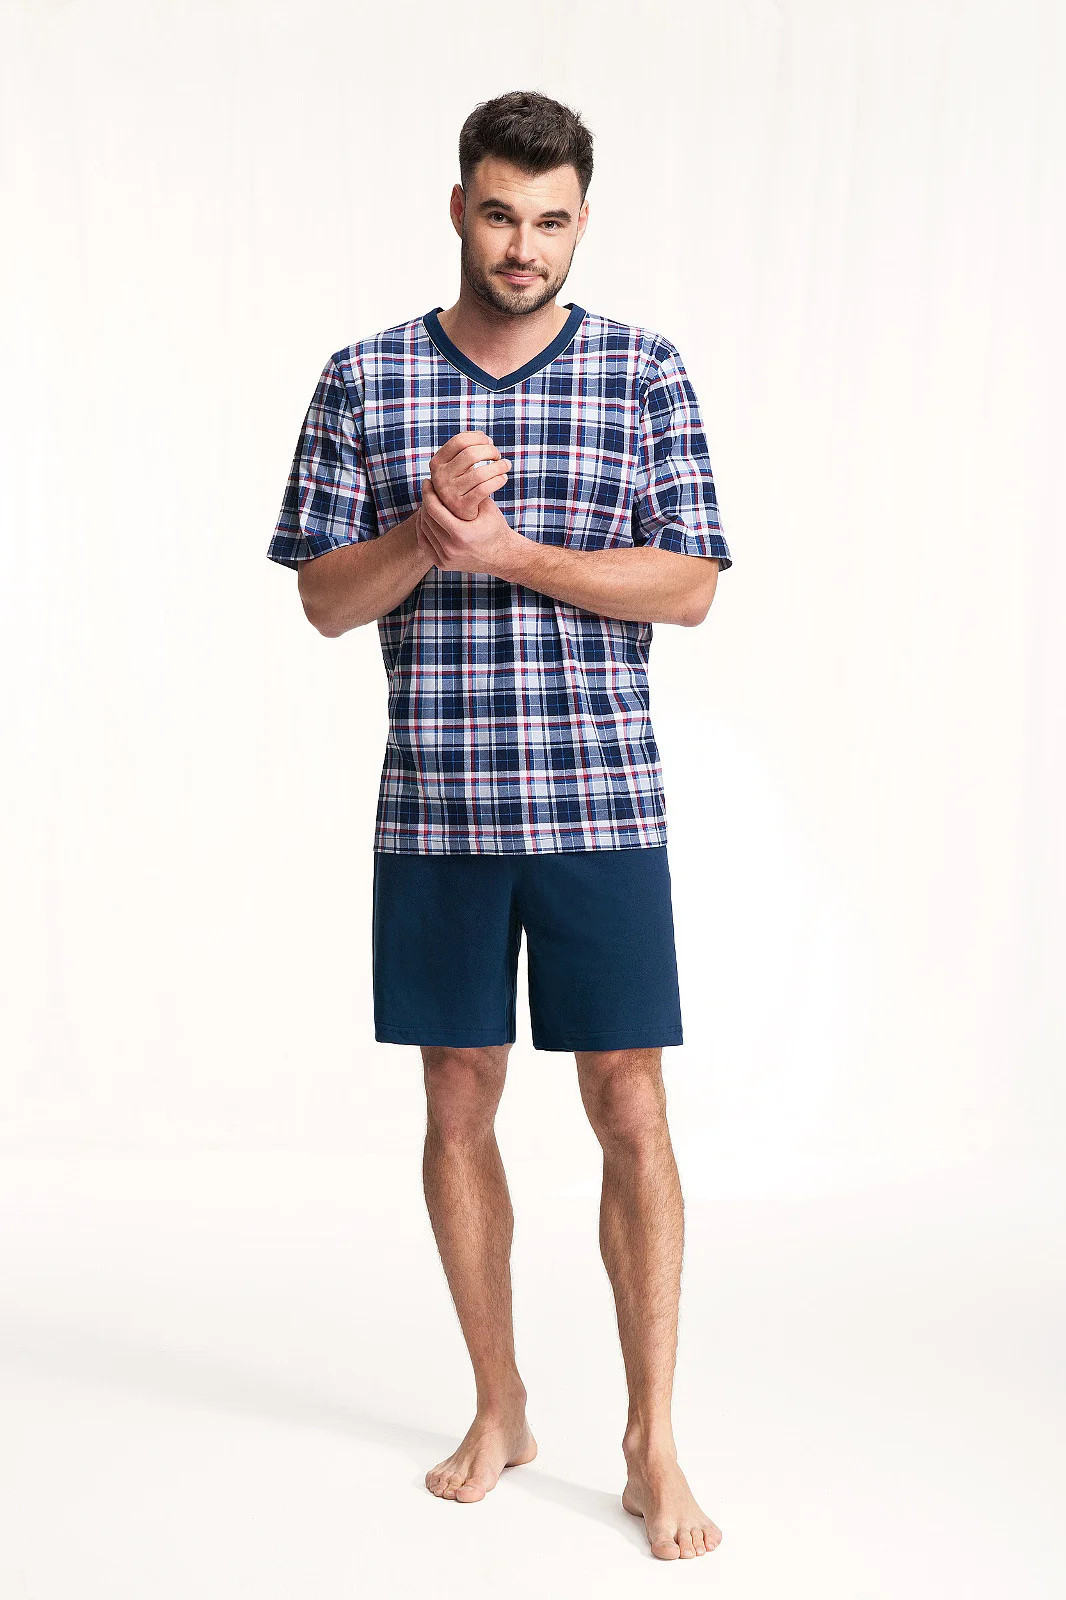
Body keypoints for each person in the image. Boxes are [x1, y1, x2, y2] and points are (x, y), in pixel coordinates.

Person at [266, 88, 732, 1562]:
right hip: (436, 814)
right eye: (498, 214)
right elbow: (322, 601)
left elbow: (690, 584)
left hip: (602, 803)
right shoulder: (367, 377)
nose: (522, 244)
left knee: (630, 1109)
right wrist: (424, 529)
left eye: (549, 220)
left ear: (581, 222)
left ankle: (652, 1439)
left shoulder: (643, 371)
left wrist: (512, 549)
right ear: (458, 209)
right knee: (456, 1105)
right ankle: (500, 1404)